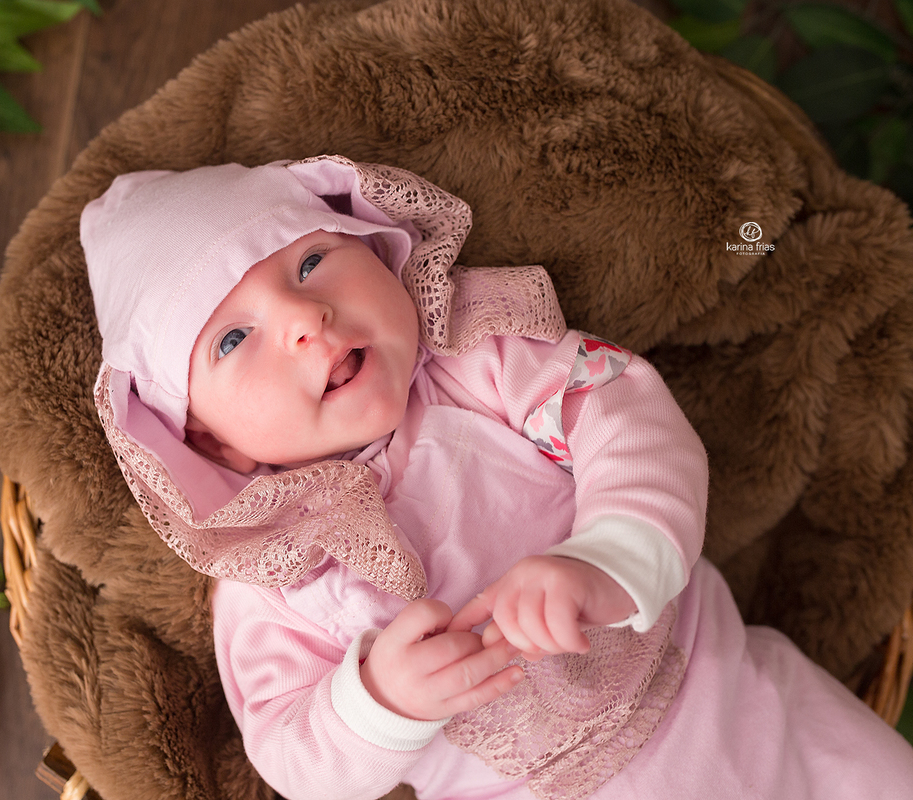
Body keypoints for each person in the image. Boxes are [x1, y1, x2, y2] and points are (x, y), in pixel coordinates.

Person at [81, 155, 913, 800]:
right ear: (206, 444)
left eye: (311, 264)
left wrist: (609, 559)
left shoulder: (484, 368)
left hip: (733, 702)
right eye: (233, 340)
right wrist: (376, 701)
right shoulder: (273, 576)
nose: (306, 320)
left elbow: (628, 419)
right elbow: (291, 751)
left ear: (380, 248)